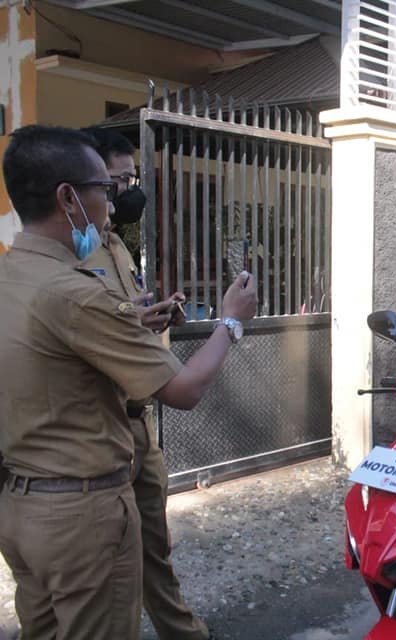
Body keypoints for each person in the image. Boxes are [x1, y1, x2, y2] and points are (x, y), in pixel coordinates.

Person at [0, 125, 257, 640]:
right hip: (83, 515)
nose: (113, 203)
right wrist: (231, 321)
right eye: (105, 188)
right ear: (68, 197)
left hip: (25, 507)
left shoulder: (14, 276)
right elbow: (184, 391)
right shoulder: (73, 291)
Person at [81, 127, 209, 640]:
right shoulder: (69, 257)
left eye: (134, 177)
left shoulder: (115, 245)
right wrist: (233, 326)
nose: (130, 190)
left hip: (139, 424)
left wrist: (149, 314)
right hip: (100, 431)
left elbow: (118, 319)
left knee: (155, 545)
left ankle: (181, 631)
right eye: (119, 180)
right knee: (107, 567)